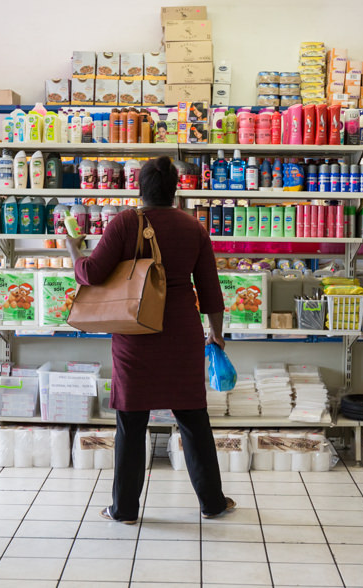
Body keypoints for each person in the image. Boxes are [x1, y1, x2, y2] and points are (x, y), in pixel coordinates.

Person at [66, 156, 234, 523]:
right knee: (193, 418)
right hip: (182, 334)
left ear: (139, 188)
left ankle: (124, 509)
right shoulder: (194, 228)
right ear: (176, 191)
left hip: (136, 335)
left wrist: (73, 251)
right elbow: (210, 291)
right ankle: (212, 503)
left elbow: (92, 274)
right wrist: (216, 337)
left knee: (131, 422)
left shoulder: (126, 222)